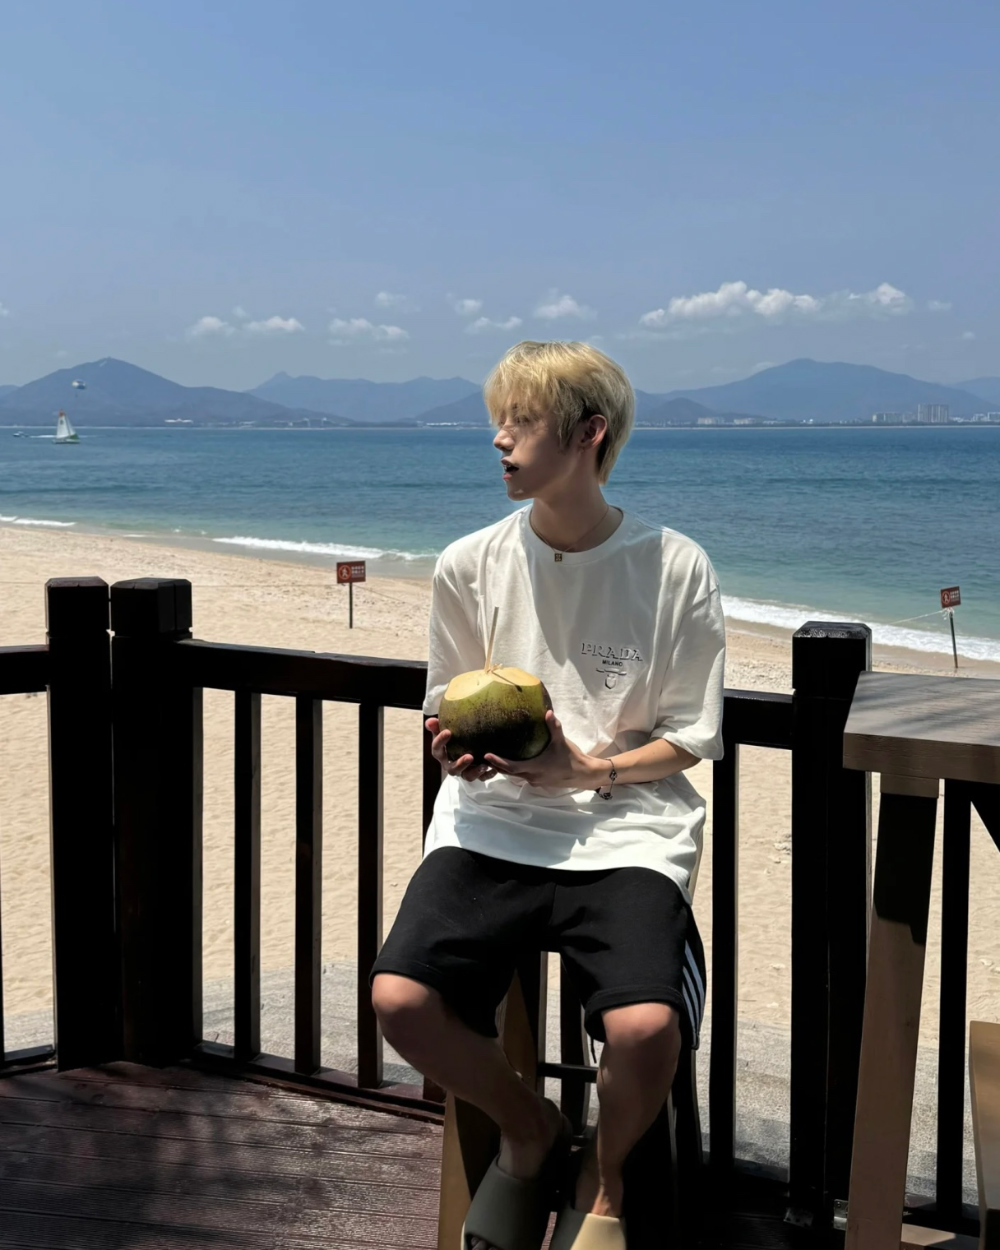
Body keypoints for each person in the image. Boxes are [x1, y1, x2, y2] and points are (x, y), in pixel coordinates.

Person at [371, 340, 725, 1250]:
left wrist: (585, 771)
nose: (499, 438)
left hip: (628, 830)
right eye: (500, 420)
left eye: (521, 421)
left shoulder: (675, 566)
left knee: (643, 1025)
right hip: (492, 824)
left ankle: (605, 1178)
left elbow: (691, 736)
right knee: (400, 1001)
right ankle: (531, 1126)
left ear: (588, 434)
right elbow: (446, 703)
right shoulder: (470, 563)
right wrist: (457, 757)